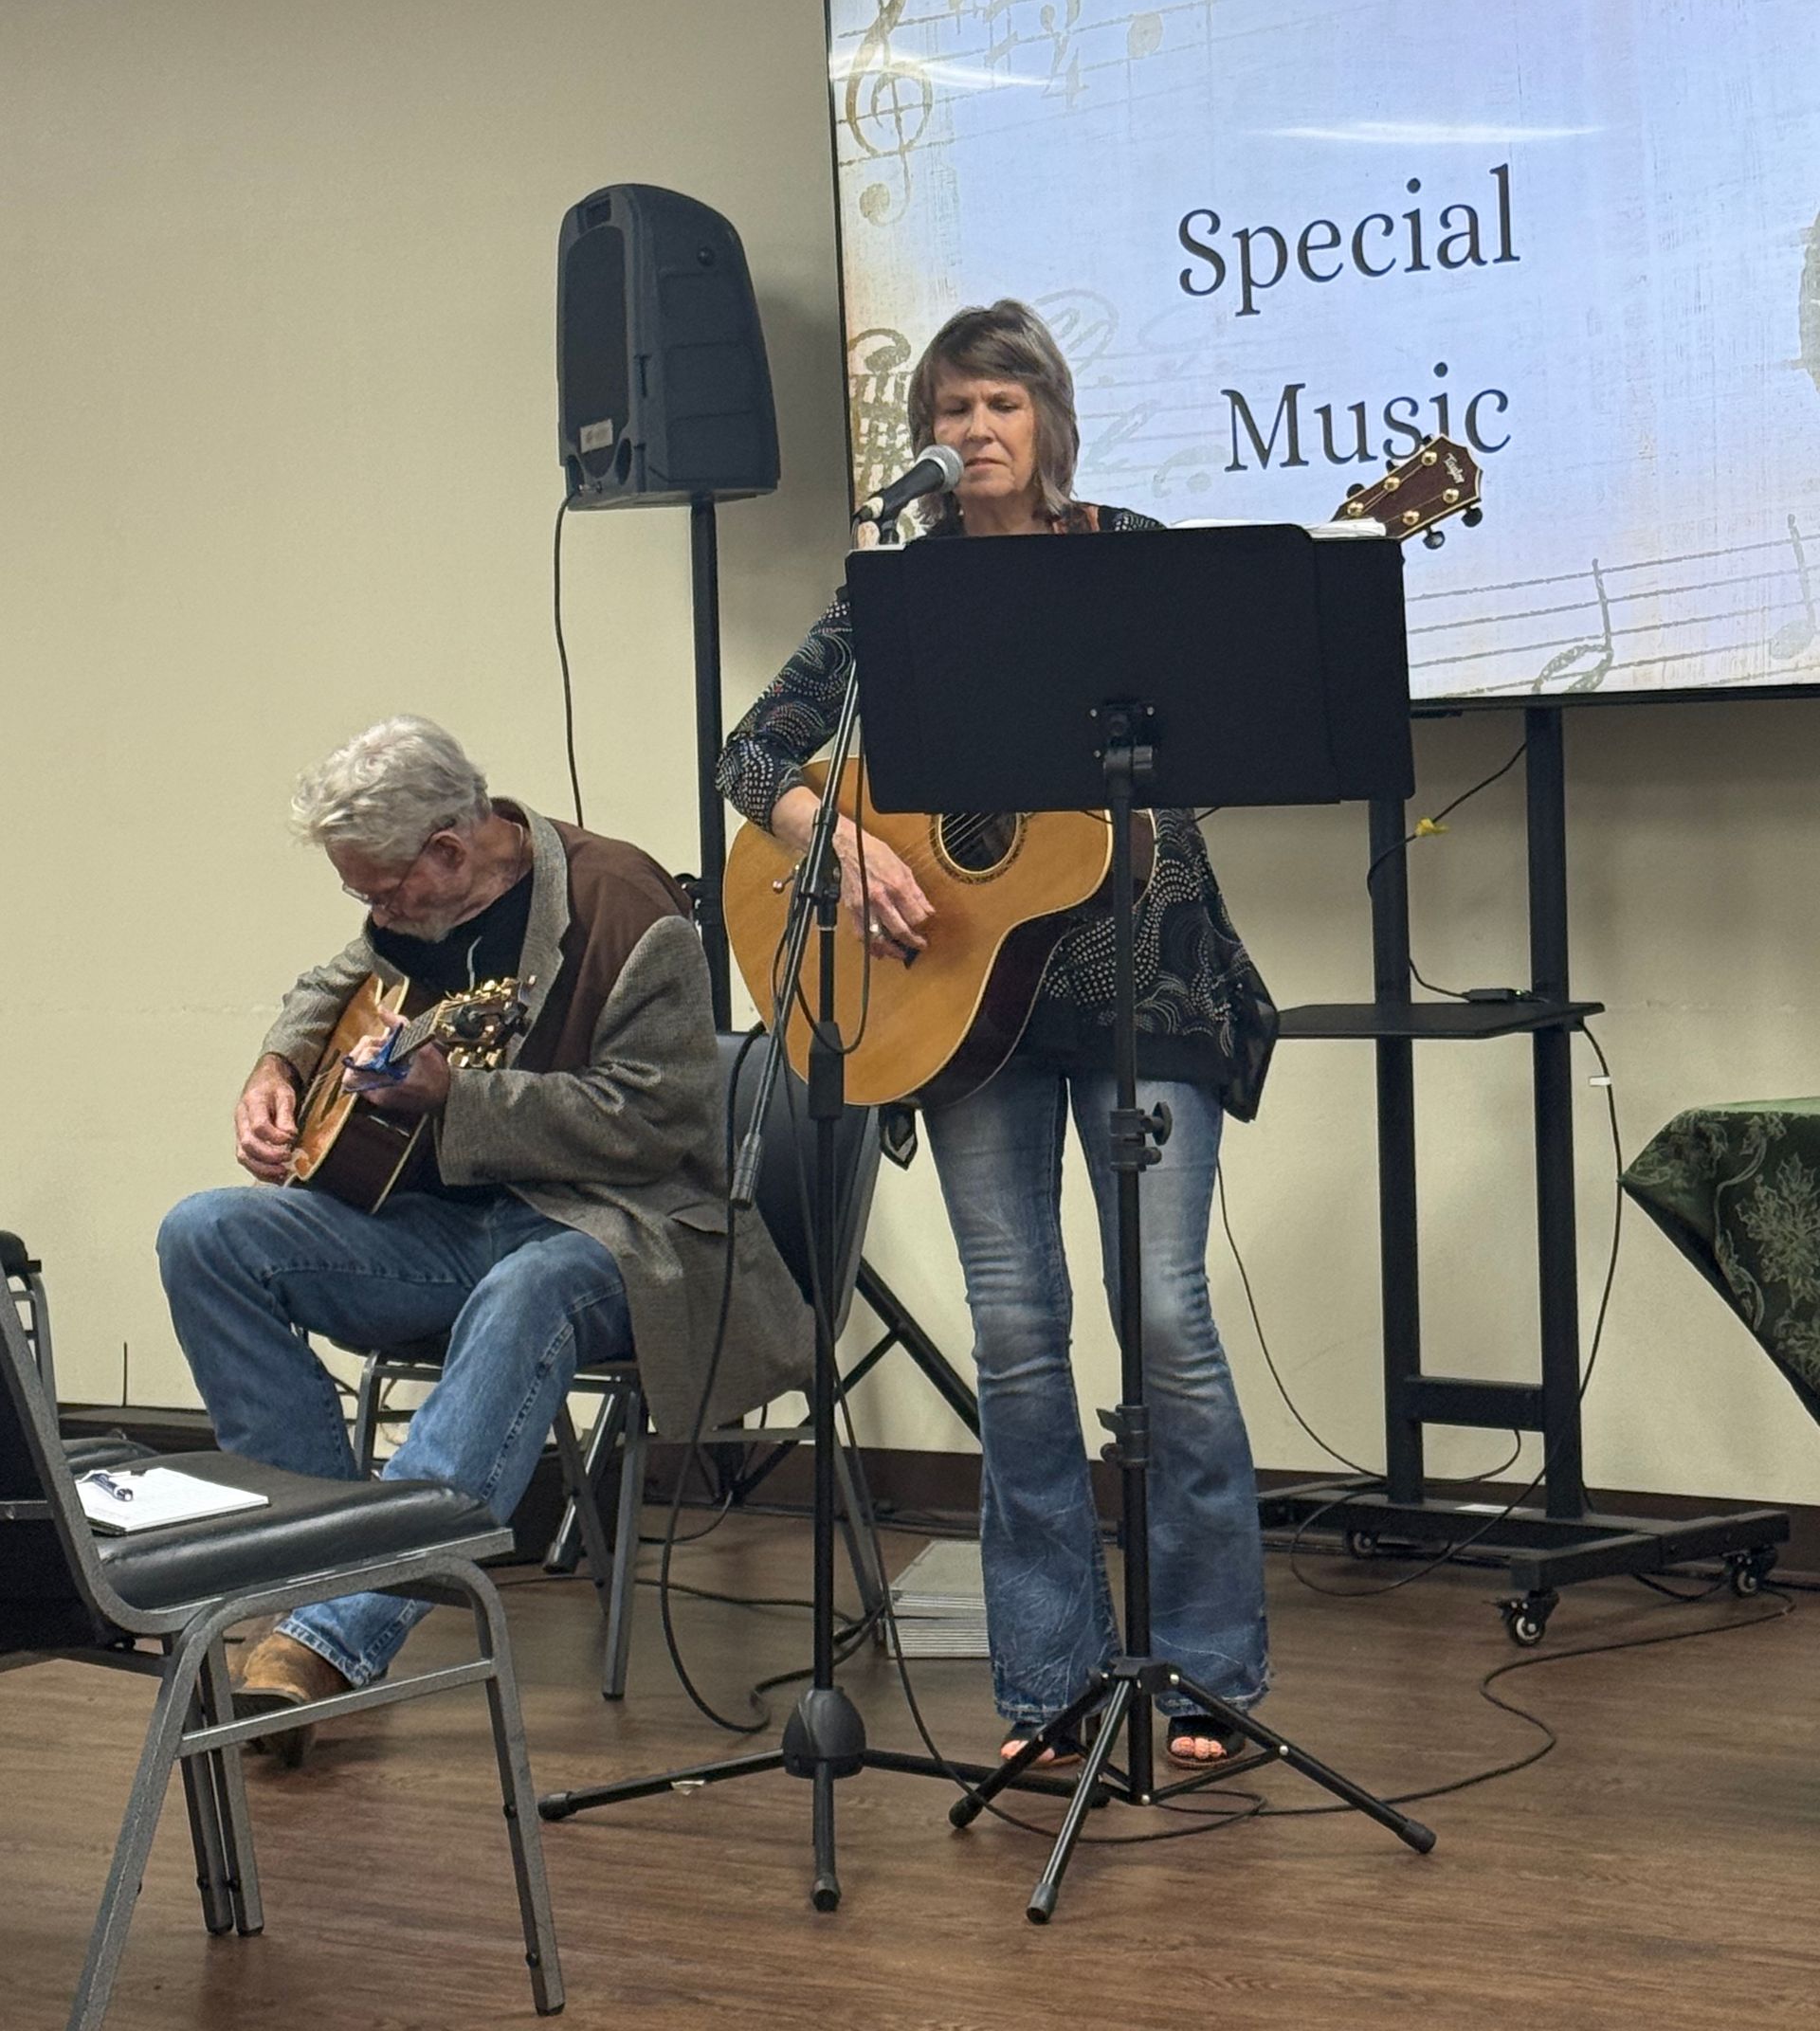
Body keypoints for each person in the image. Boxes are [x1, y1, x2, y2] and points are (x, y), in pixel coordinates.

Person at [718, 299, 1277, 1768]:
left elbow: (1243, 714)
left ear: (1050, 424)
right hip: (968, 1009)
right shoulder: (898, 595)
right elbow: (755, 748)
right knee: (1020, 1341)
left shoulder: (1126, 554)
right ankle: (1047, 1683)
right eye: (950, 412)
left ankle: (1207, 1670)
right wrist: (827, 839)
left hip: (1147, 982)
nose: (973, 434)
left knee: (1165, 1324)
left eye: (1000, 407)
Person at [159, 715, 810, 1758]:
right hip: (450, 1227)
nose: (376, 911)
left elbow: (658, 1124)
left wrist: (461, 1097)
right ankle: (302, 1574)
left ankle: (332, 1636)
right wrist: (276, 1066)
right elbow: (332, 983)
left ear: (451, 851)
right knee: (206, 1233)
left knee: (527, 1293)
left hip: (622, 1228)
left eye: (381, 889)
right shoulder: (417, 907)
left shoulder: (627, 910)